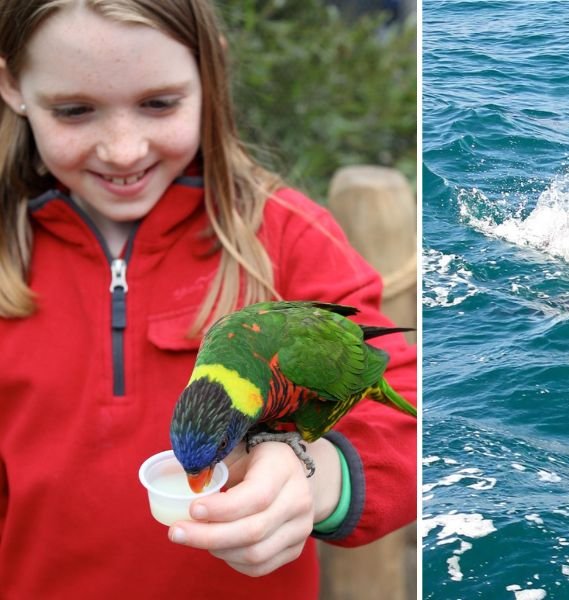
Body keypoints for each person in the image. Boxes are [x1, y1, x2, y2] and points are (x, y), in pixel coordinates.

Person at [0, 1, 417, 598]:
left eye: (158, 103)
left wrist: (312, 477)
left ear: (209, 73)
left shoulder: (287, 236)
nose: (123, 150)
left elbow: (414, 407)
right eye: (74, 110)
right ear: (13, 86)